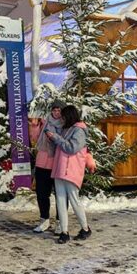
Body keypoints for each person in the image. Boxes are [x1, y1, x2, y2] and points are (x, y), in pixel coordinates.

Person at [45, 105, 96, 244]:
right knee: (60, 201)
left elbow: (71, 148)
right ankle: (64, 232)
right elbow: (62, 146)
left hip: (71, 170)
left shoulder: (79, 130)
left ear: (70, 116)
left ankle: (85, 228)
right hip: (60, 169)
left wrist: (56, 137)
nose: (61, 118)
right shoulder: (66, 128)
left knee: (74, 200)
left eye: (63, 116)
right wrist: (53, 138)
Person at [28, 99, 64, 233]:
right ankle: (44, 220)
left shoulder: (67, 125)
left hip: (57, 163)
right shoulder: (45, 122)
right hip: (42, 162)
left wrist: (54, 137)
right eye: (54, 110)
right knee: (42, 193)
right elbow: (35, 139)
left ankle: (61, 222)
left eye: (59, 110)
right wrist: (35, 126)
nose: (56, 113)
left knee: (60, 195)